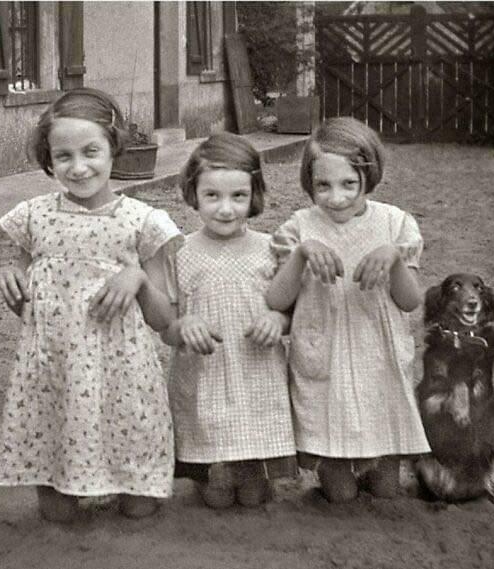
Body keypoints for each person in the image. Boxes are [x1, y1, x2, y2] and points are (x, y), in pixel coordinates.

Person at [0, 88, 182, 522]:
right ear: (48, 158)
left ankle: (129, 473)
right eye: (63, 156)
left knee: (139, 508)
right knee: (56, 513)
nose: (78, 168)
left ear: (113, 146)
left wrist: (136, 279)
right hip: (54, 372)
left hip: (121, 376)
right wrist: (8, 276)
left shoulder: (143, 222)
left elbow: (164, 320)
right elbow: (25, 296)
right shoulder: (33, 217)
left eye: (91, 151)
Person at [265, 117, 430, 504]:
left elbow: (410, 301)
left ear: (368, 178)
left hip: (379, 355)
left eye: (349, 185)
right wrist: (302, 255)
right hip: (325, 354)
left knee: (387, 489)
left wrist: (393, 258)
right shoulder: (298, 228)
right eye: (323, 185)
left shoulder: (395, 224)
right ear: (309, 182)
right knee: (340, 493)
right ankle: (332, 474)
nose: (335, 197)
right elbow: (276, 301)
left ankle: (381, 469)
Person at [161, 132, 297, 509]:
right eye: (212, 196)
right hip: (204, 377)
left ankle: (254, 477)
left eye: (238, 196)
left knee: (254, 495)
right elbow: (166, 326)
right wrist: (183, 326)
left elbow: (289, 312)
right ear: (193, 193)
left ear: (254, 194)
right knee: (217, 497)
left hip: (256, 375)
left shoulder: (272, 249)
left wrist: (276, 319)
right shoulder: (179, 252)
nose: (225, 209)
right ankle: (209, 474)